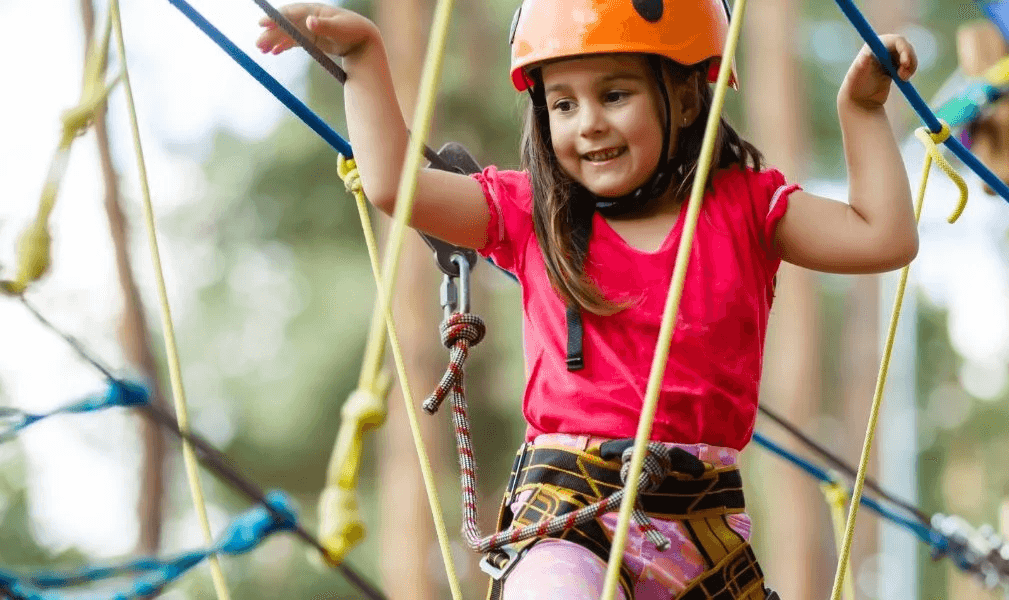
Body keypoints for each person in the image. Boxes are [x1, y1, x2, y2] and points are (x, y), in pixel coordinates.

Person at [256, 1, 921, 598]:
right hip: (567, 521)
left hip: (705, 534)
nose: (589, 124)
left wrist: (859, 112)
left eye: (615, 93)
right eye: (564, 104)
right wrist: (366, 55)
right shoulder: (529, 211)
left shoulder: (746, 206)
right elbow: (396, 184)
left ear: (689, 97)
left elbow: (883, 237)